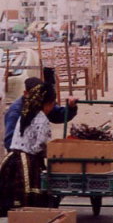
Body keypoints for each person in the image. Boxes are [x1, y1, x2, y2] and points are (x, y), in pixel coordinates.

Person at [0, 83, 56, 215]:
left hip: (12, 158)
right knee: (30, 195)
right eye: (52, 104)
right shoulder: (42, 119)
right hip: (29, 161)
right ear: (47, 103)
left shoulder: (26, 114)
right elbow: (40, 144)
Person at [4, 77, 78, 151]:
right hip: (20, 156)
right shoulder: (16, 111)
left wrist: (71, 107)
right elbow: (9, 141)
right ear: (26, 93)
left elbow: (58, 115)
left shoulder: (41, 105)